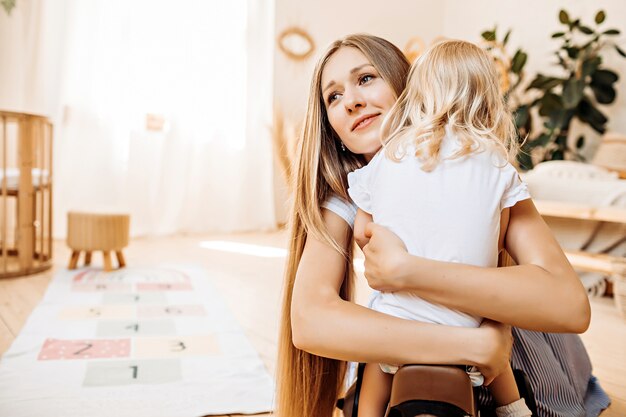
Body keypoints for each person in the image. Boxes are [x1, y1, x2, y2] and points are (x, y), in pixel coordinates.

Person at [275, 34, 609, 417]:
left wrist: (407, 271)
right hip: (457, 355)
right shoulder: (347, 196)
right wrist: (474, 345)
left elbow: (570, 307)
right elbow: (310, 321)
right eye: (333, 96)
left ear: (412, 86)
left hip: (529, 371)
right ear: (332, 128)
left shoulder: (481, 166)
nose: (351, 101)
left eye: (366, 78)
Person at [347, 39, 532, 417]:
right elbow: (499, 244)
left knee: (376, 360)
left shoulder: (392, 153)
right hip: (468, 326)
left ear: (417, 94)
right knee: (492, 327)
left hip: (397, 325)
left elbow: (363, 229)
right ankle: (513, 408)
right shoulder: (499, 165)